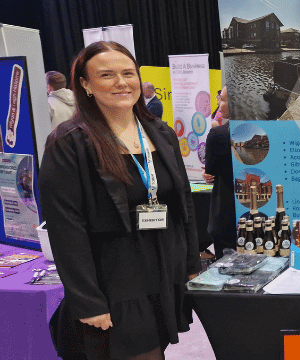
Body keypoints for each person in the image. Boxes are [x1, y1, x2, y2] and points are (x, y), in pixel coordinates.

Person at [39, 41, 201, 360]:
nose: (121, 82)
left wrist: (192, 266)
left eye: (128, 73)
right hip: (114, 281)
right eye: (106, 75)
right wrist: (88, 300)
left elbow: (184, 205)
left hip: (163, 272)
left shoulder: (160, 133)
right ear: (85, 84)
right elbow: (65, 228)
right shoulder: (69, 143)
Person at [202, 86, 236, 259]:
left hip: (226, 216)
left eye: (222, 100)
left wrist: (207, 174)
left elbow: (210, 172)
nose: (219, 104)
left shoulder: (218, 135)